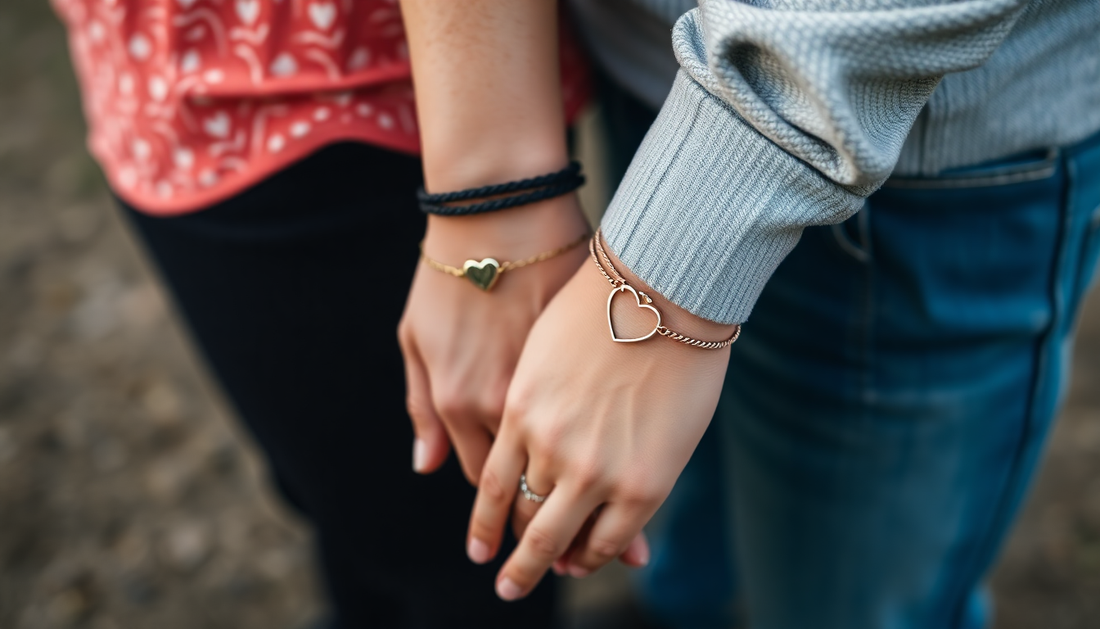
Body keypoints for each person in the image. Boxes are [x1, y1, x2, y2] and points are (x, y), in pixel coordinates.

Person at [397, 0, 1100, 627]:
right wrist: (492, 192)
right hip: (640, 59)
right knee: (681, 508)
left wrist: (667, 268)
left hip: (921, 152)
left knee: (845, 600)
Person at [51, 0, 590, 626]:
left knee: (442, 533)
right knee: (342, 495)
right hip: (147, 74)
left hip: (359, 87)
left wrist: (493, 206)